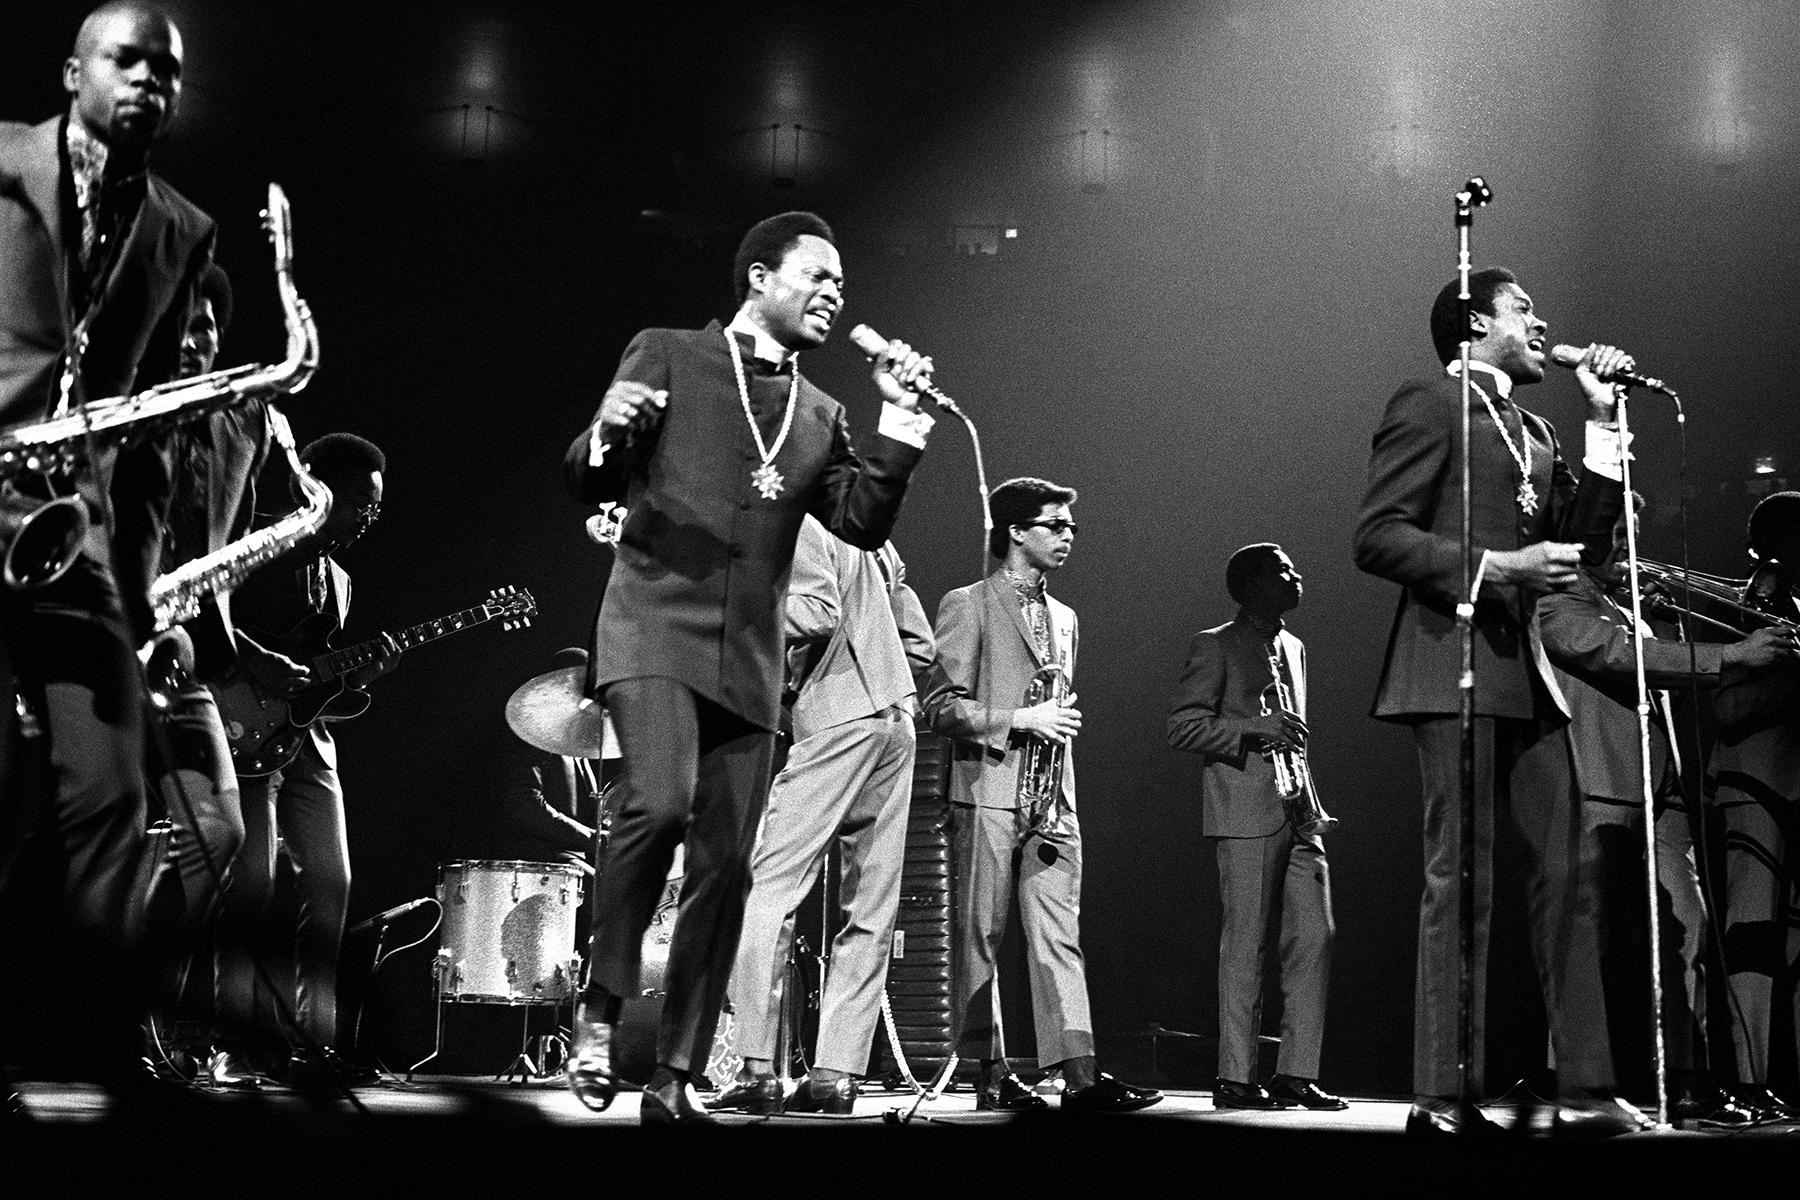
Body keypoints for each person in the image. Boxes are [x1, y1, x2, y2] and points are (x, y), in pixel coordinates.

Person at [560, 211, 937, 1124]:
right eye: (818, 277)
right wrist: (608, 432)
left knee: (726, 867)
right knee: (658, 803)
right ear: (760, 278)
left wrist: (900, 418)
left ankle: (675, 1075)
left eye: (843, 286)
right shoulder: (669, 354)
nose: (834, 295)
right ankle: (602, 1006)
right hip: (654, 626)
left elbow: (858, 523)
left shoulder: (821, 413)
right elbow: (590, 477)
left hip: (753, 662)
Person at [1351, 267, 1636, 1136]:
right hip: (1451, 667)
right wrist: (1494, 569)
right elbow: (1376, 534)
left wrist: (1600, 424)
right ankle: (1442, 1093)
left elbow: (1583, 550)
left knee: (1570, 872)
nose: (1541, 322)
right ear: (1476, 324)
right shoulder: (1429, 403)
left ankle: (1585, 1086)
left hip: (1528, 675)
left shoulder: (1538, 428)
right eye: (1523, 309)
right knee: (1461, 881)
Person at [0, 2, 214, 1091]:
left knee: (111, 794)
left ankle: (87, 1041)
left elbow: (155, 444)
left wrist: (134, 601)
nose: (149, 83)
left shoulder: (183, 228)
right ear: (74, 67)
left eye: (167, 73)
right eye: (128, 61)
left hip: (72, 538)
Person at [1536, 496, 1796, 1126]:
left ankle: (1693, 1082)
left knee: (1693, 932)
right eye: (1619, 527)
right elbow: (1614, 656)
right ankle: (1565, 1081)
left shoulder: (1629, 605)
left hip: (1662, 793)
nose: (1630, 541)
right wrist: (1733, 654)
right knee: (1587, 942)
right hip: (1600, 785)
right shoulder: (1559, 601)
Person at [922, 476, 1162, 1113]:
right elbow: (940, 706)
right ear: (1015, 532)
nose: (1068, 536)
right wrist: (1020, 720)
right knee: (980, 938)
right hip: (988, 791)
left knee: (1061, 935)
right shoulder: (967, 603)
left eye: (1071, 527)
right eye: (1055, 525)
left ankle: (1080, 1074)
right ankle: (988, 1073)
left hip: (1053, 797)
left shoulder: (1067, 616)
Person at [709, 514, 934, 1115]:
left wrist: (731, 612)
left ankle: (756, 1068)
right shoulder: (876, 541)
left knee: (765, 886)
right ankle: (835, 1076)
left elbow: (815, 611)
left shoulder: (800, 523)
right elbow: (920, 645)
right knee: (871, 907)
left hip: (840, 719)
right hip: (895, 720)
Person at [210, 432, 397, 1086]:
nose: (365, 520)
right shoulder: (252, 547)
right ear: (314, 486)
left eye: (373, 510)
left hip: (308, 740)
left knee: (331, 881)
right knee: (253, 886)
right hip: (241, 728)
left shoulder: (341, 582)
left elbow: (325, 689)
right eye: (357, 505)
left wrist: (362, 681)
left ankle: (314, 1043)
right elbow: (209, 627)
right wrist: (258, 662)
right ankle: (234, 1045)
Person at [1167, 543, 1345, 1111]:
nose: (1296, 577)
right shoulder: (1214, 644)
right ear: (1250, 584)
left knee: (1315, 938)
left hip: (1298, 809)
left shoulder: (1294, 645)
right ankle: (1236, 1079)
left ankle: (1297, 1072)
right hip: (1245, 811)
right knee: (1245, 946)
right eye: (1283, 571)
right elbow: (1183, 727)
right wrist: (1253, 728)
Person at [1707, 490, 1800, 1120]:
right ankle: (1746, 1082)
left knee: (1790, 941)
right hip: (1753, 785)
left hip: (1791, 783)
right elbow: (1730, 711)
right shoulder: (1758, 602)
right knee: (1753, 932)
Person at [478, 646, 607, 873]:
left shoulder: (576, 743)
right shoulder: (530, 731)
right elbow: (523, 804)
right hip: (536, 861)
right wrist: (590, 837)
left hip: (570, 858)